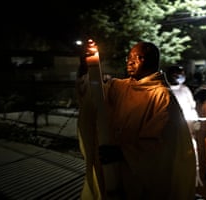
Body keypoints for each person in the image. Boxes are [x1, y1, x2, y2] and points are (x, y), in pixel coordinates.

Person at [76, 41, 196, 200]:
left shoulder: (162, 96)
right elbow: (93, 94)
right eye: (129, 57)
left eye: (138, 57)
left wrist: (123, 152)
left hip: (139, 179)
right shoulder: (120, 87)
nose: (130, 61)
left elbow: (162, 143)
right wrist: (88, 68)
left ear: (152, 61)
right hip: (113, 170)